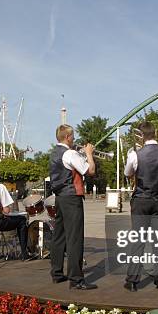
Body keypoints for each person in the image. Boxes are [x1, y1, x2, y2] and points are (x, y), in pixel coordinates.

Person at [123, 122, 158, 292]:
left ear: (141, 135)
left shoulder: (135, 154)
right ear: (156, 134)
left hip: (141, 200)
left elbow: (128, 173)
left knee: (138, 241)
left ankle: (132, 280)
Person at [49, 124, 97, 290]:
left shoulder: (55, 153)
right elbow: (89, 170)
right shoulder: (70, 153)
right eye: (73, 136)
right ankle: (76, 279)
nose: (74, 139)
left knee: (59, 235)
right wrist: (89, 154)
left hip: (60, 197)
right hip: (71, 197)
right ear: (68, 137)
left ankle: (56, 273)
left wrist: (81, 154)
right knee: (75, 238)